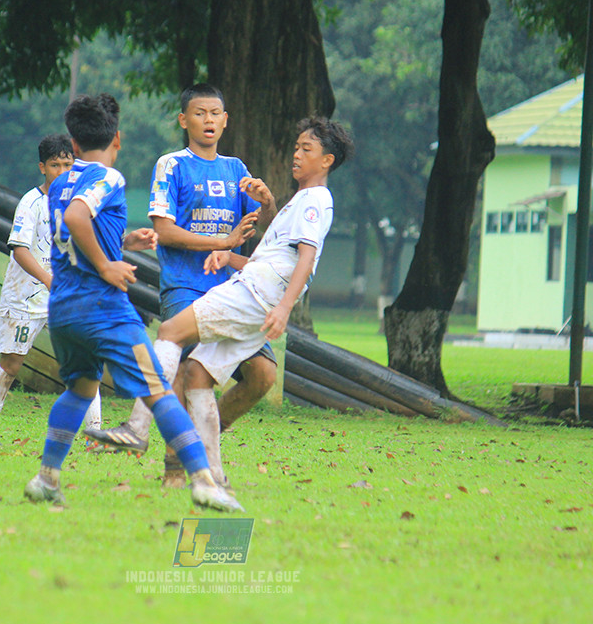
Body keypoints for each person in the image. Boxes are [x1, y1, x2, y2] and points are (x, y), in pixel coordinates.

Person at [87, 116, 353, 490]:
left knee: (170, 332)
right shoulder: (301, 200)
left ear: (327, 160)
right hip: (253, 291)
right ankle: (213, 477)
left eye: (306, 149)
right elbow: (276, 259)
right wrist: (230, 257)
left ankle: (137, 427)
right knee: (197, 375)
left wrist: (283, 308)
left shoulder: (315, 200)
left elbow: (306, 260)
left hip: (253, 295)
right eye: (296, 147)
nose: (296, 154)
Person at [22, 93, 242, 512]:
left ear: (73, 142)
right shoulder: (108, 178)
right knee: (159, 389)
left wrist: (121, 243)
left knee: (80, 389)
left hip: (64, 309)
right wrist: (108, 265)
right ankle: (203, 481)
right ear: (117, 139)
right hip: (103, 310)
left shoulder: (60, 183)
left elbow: (70, 234)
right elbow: (77, 219)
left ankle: (46, 478)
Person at [86, 83, 277, 489]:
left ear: (225, 121)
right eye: (199, 113)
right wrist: (223, 241)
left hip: (234, 289)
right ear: (183, 120)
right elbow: (165, 231)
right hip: (185, 286)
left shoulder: (237, 170)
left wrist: (268, 203)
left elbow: (265, 230)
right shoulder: (171, 165)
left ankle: (200, 438)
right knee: (181, 370)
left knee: (262, 374)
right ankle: (175, 467)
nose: (208, 120)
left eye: (215, 113)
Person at [0, 134, 102, 452]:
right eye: (55, 165)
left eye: (68, 164)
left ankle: (95, 437)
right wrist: (47, 279)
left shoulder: (80, 203)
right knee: (11, 365)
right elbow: (19, 249)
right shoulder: (31, 203)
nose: (62, 171)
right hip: (25, 298)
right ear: (42, 167)